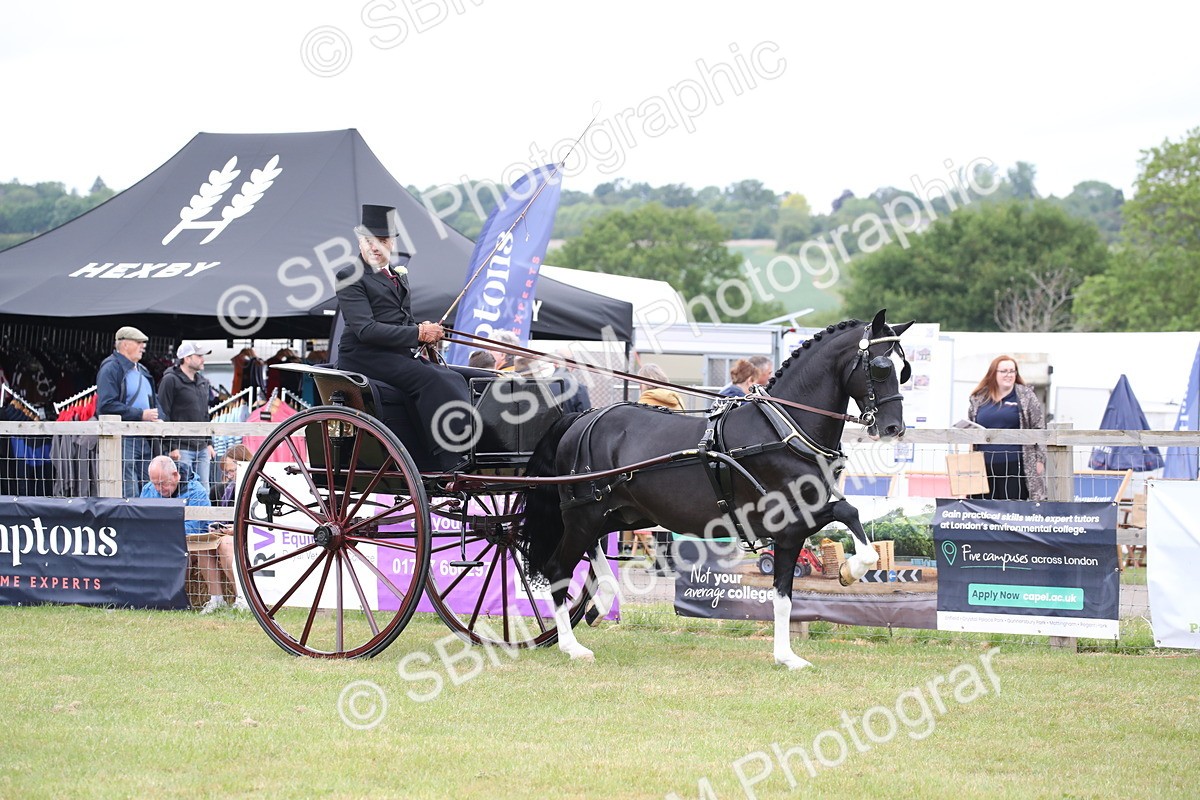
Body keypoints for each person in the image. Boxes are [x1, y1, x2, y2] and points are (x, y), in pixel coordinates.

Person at [334, 204, 477, 472]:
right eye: (369, 241)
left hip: (397, 354)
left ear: (392, 242)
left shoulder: (397, 275)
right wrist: (417, 333)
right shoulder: (349, 276)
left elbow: (400, 319)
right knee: (435, 380)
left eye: (382, 241)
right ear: (359, 241)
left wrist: (422, 330)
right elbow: (366, 330)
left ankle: (473, 446)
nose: (375, 247)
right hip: (365, 356)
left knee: (461, 376)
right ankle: (449, 457)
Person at [141, 455, 246, 613]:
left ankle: (237, 598)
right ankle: (148, 598)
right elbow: (141, 520)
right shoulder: (147, 490)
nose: (157, 488)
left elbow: (195, 528)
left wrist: (161, 533)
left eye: (162, 483)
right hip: (158, 540)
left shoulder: (197, 491)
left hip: (188, 543)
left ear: (175, 475)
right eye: (154, 483)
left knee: (196, 546)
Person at [967, 355, 1047, 501]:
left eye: (1012, 371)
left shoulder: (1026, 396)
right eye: (1004, 371)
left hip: (1015, 464)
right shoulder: (979, 398)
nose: (1009, 375)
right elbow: (971, 425)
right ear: (993, 373)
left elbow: (1039, 428)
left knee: (1012, 509)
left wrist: (1040, 459)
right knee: (981, 510)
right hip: (982, 465)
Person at [97, 325, 160, 497]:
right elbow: (106, 405)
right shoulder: (111, 368)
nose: (143, 346)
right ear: (124, 345)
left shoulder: (142, 370)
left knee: (149, 486)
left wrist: (157, 417)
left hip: (144, 436)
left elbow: (153, 399)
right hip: (124, 438)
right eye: (139, 342)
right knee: (129, 487)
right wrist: (141, 414)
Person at [159, 341, 214, 493]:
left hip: (201, 446)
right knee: (183, 488)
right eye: (199, 356)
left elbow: (205, 414)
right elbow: (164, 413)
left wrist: (209, 442)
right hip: (181, 447)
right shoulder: (170, 380)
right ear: (187, 358)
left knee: (204, 490)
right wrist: (170, 445)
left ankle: (203, 517)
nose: (203, 359)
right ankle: (185, 517)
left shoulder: (203, 382)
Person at [549, 348, 593, 414]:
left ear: (555, 363)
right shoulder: (579, 388)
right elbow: (587, 418)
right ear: (573, 366)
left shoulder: (540, 386)